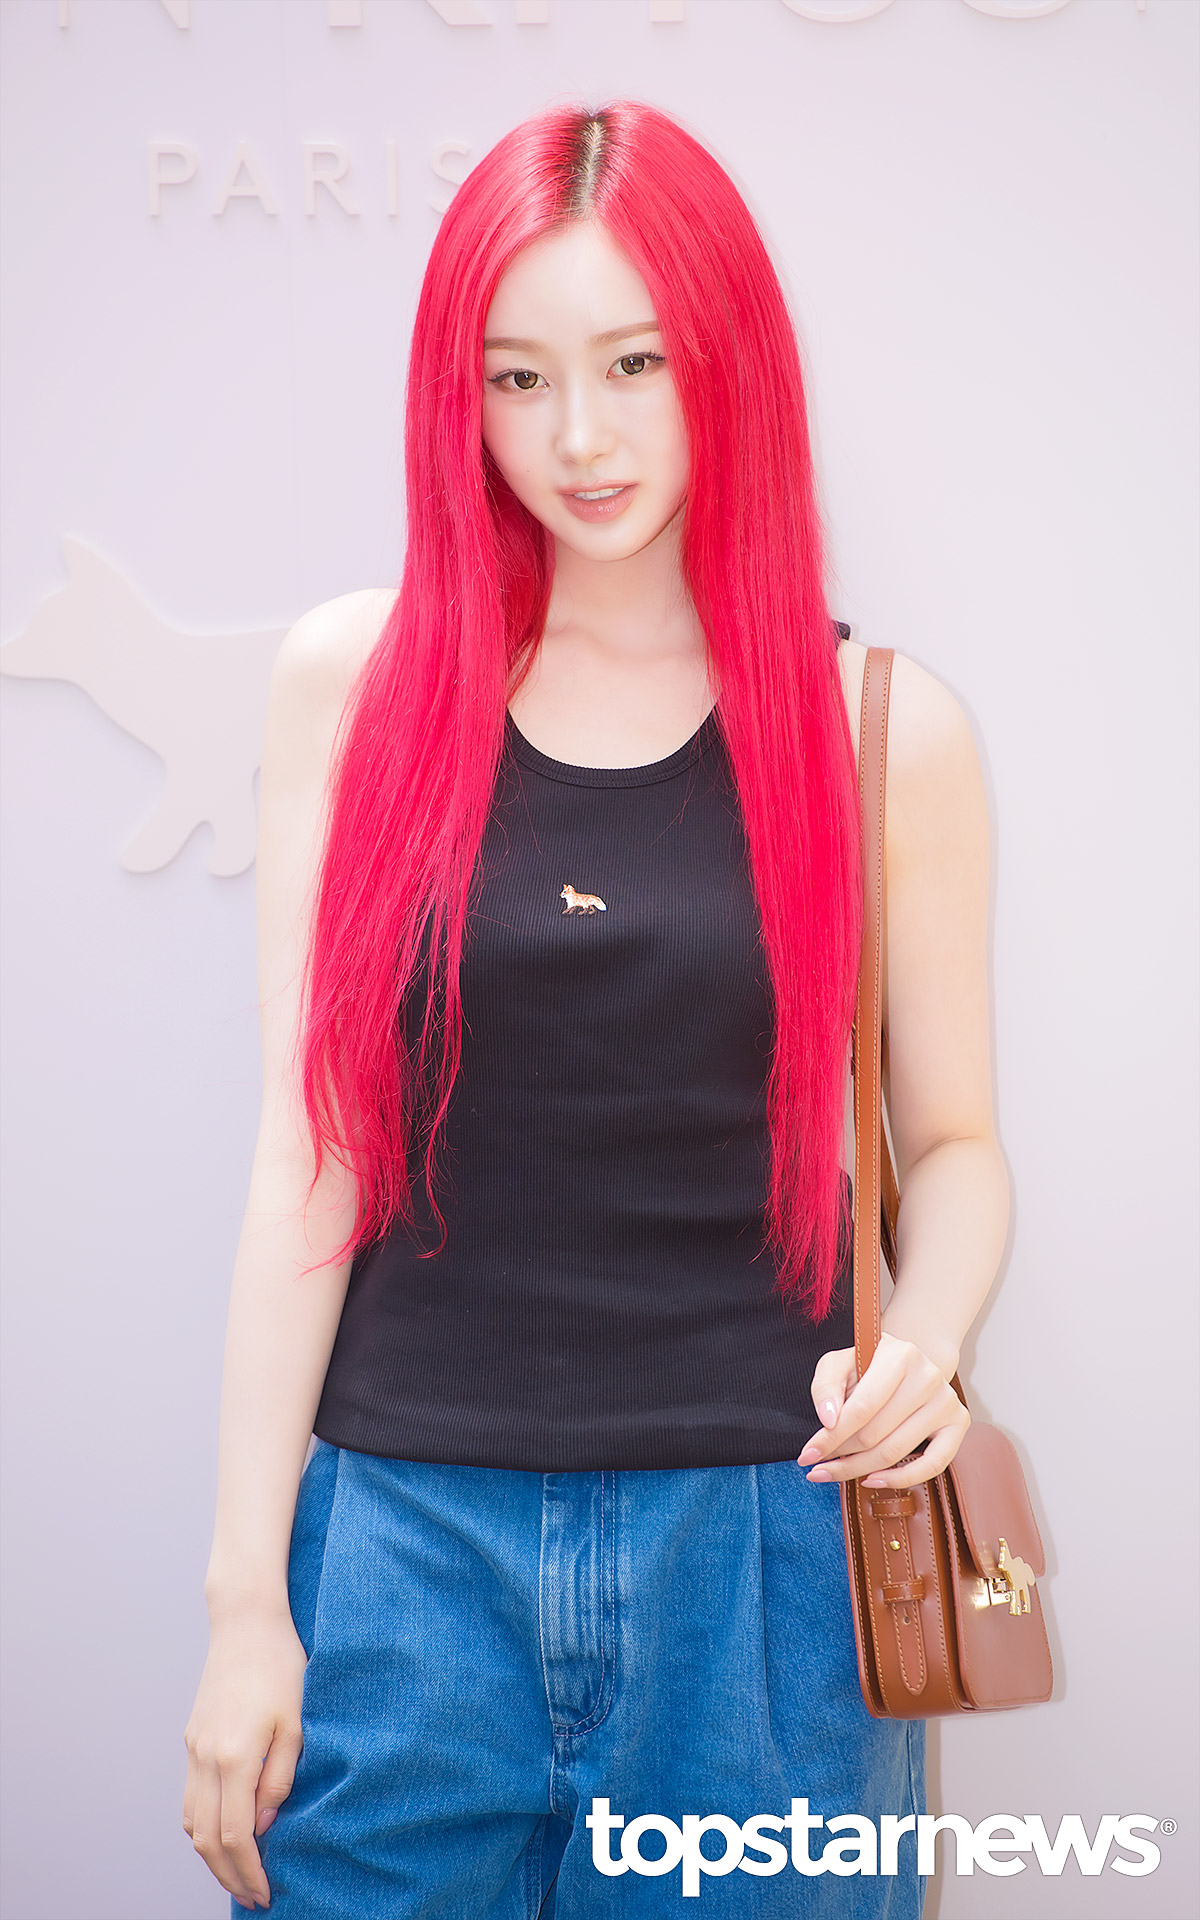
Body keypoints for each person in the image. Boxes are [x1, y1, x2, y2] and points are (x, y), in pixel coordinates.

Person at [182, 100, 1007, 1918]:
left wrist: (930, 1343)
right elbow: (311, 1151)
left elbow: (951, 1142)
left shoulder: (882, 729)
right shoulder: (357, 685)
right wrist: (248, 1600)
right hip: (403, 1555)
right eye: (518, 377)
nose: (578, 435)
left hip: (765, 1562)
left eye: (636, 362)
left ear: (729, 360)